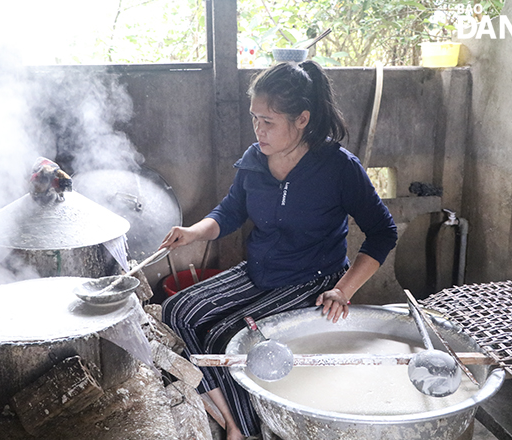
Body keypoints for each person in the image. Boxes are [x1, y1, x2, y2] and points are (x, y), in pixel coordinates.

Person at [160, 60, 397, 440]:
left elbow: (383, 233)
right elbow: (230, 211)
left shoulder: (338, 168)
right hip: (260, 270)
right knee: (177, 311)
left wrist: (344, 290)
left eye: (268, 121)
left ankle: (245, 429)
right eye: (255, 118)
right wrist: (194, 232)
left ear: (302, 119)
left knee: (225, 338)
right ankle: (234, 422)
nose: (258, 130)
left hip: (313, 278)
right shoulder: (255, 160)